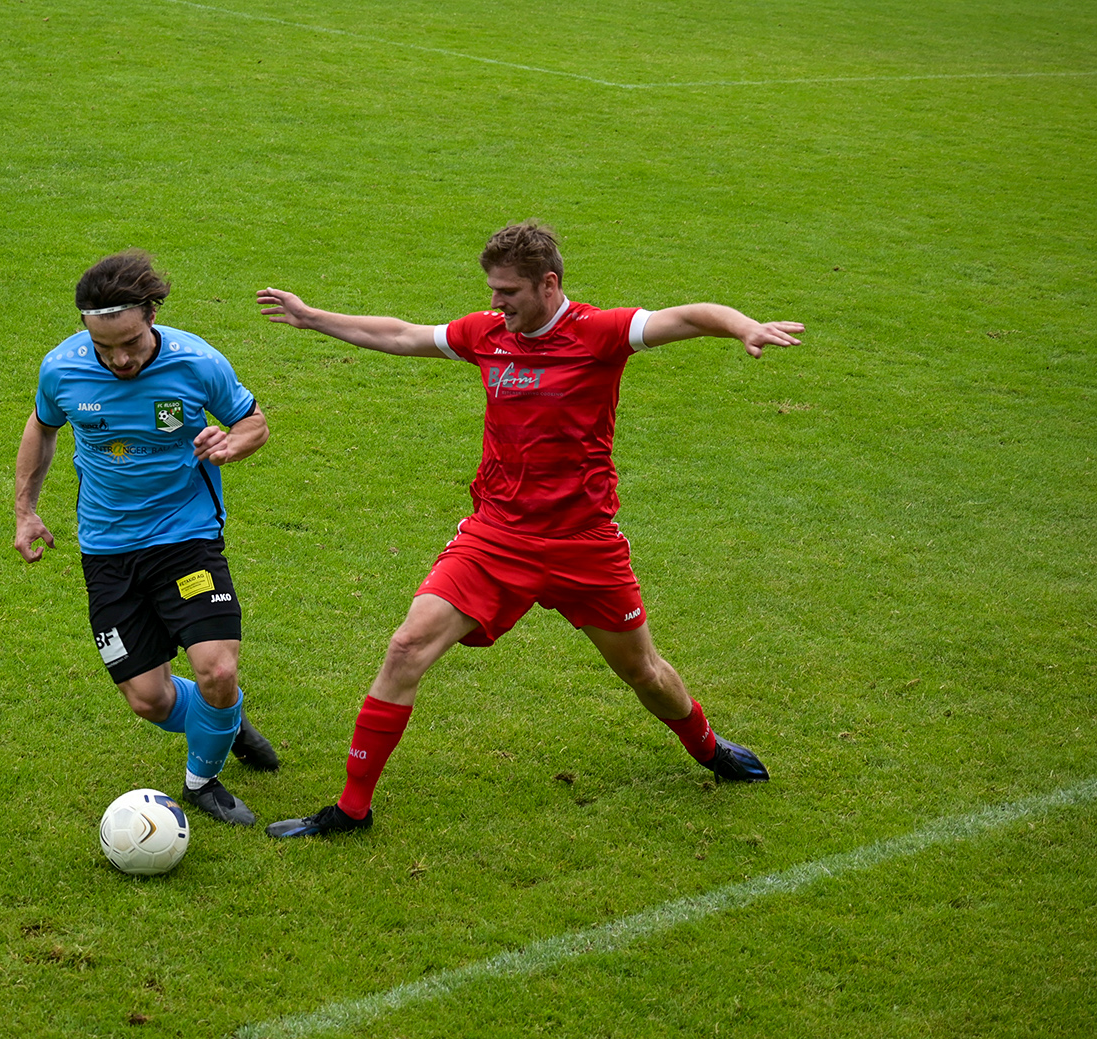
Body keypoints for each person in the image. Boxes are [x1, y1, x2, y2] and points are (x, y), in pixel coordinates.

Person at [255, 221, 803, 838]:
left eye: (508, 291)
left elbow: (689, 317)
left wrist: (743, 326)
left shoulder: (599, 332)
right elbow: (404, 335)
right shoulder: (487, 335)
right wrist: (313, 318)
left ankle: (706, 746)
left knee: (643, 672)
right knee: (408, 647)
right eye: (492, 289)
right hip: (496, 538)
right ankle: (352, 810)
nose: (496, 302)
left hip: (583, 545)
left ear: (549, 284)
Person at [15, 250, 279, 826]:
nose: (120, 359)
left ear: (152, 315)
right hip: (107, 548)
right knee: (149, 700)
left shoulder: (197, 362)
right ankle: (225, 719)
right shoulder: (61, 369)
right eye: (104, 347)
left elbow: (253, 422)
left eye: (131, 342)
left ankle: (202, 781)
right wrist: (25, 511)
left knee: (218, 670)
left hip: (186, 536)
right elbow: (42, 425)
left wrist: (231, 444)